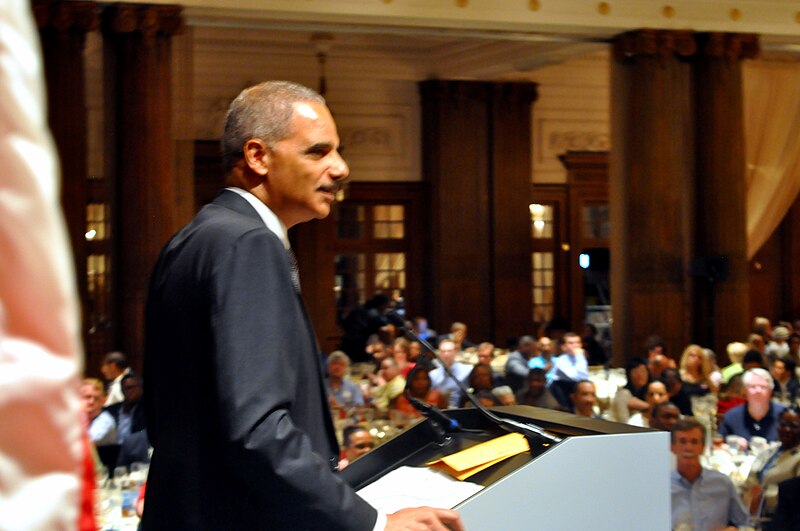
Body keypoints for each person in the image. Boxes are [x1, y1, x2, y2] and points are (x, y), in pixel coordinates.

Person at [143, 81, 462, 530]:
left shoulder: (197, 237)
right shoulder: (248, 244)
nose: (341, 168)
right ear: (258, 156)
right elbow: (258, 429)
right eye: (318, 152)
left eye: (339, 151)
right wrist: (375, 524)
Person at [670, 418, 749, 530]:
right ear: (672, 447)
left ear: (703, 448)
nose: (689, 448)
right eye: (682, 441)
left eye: (694, 442)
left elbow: (745, 523)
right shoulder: (661, 487)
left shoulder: (722, 483)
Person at [718, 368, 786, 443]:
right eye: (753, 387)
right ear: (744, 390)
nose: (758, 391)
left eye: (763, 387)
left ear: (771, 391)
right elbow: (720, 444)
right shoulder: (731, 416)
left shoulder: (784, 414)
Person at [429, 339, 472, 408]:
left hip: (461, 410)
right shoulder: (432, 375)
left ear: (455, 352)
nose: (446, 354)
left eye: (449, 351)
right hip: (440, 411)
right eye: (443, 351)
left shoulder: (468, 370)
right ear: (439, 354)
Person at [105, 373, 146, 445]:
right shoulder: (111, 410)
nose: (128, 391)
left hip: (137, 449)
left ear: (140, 387)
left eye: (131, 387)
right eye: (124, 388)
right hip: (113, 449)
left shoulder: (146, 410)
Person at [610, 357, 651, 423]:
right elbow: (623, 421)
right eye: (636, 372)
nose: (640, 375)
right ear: (629, 375)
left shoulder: (648, 392)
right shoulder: (623, 393)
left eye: (643, 371)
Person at [80, 378, 117, 447]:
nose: (91, 402)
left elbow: (88, 443)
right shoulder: (76, 418)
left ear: (102, 401)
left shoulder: (105, 420)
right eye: (88, 397)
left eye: (96, 398)